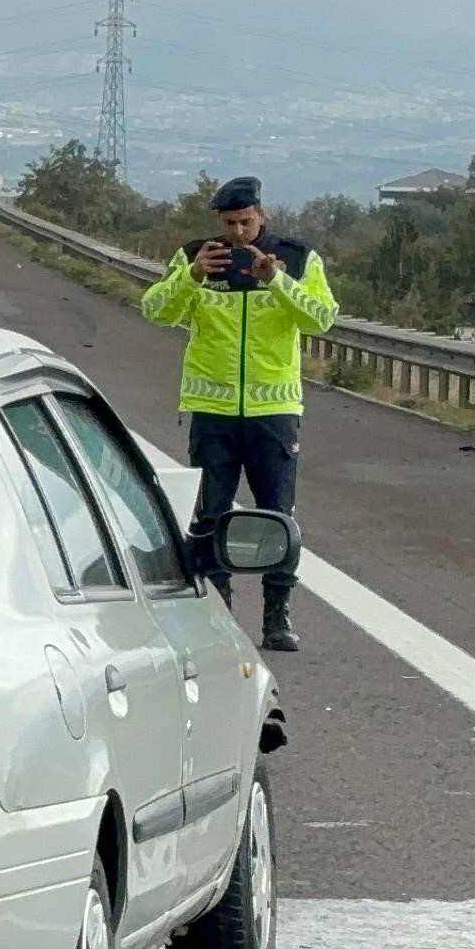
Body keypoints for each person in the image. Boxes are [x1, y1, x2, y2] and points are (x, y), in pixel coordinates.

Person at [138, 175, 338, 651]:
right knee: (208, 514)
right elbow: (155, 311)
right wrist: (192, 276)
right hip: (213, 410)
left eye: (246, 222)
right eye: (230, 223)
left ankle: (277, 616)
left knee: (278, 513)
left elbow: (322, 318)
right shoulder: (196, 255)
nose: (239, 232)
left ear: (261, 215)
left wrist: (278, 281)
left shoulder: (296, 257)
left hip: (274, 409)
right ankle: (218, 613)